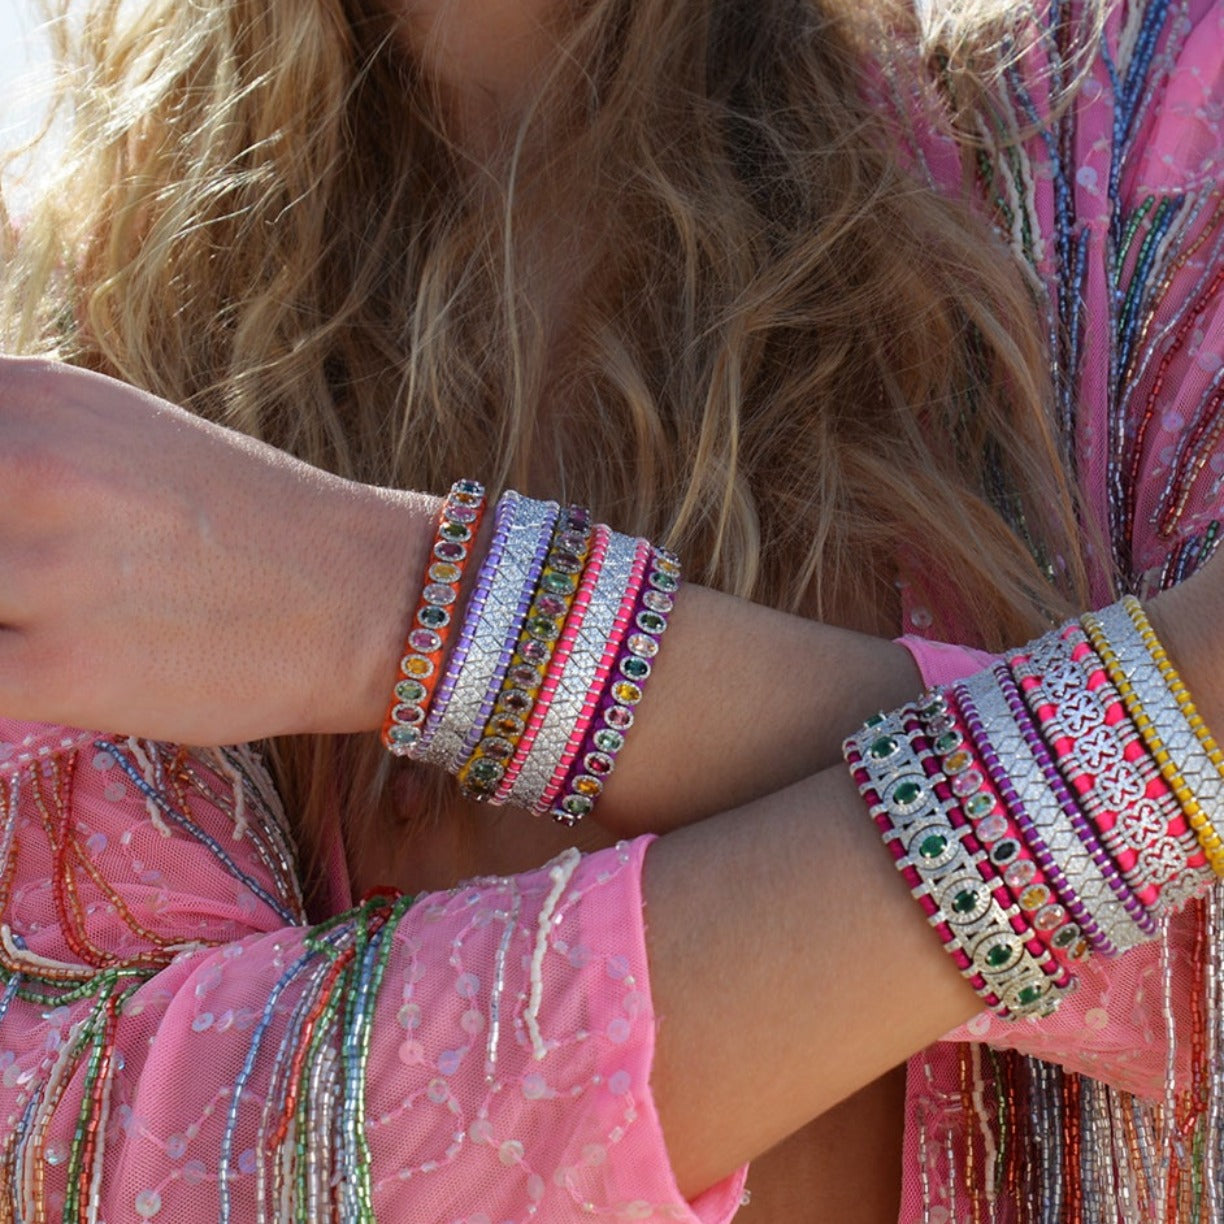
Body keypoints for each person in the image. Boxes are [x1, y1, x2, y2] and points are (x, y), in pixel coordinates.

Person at [0, 0, 1221, 1220]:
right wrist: (1181, 701)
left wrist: (415, 611)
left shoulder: (1144, 113)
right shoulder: (89, 359)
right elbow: (121, 1167)